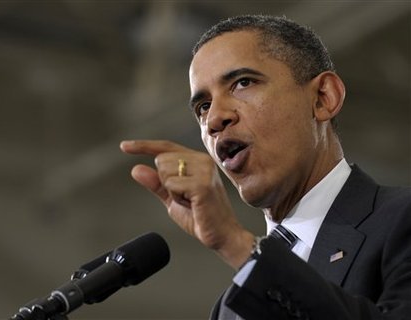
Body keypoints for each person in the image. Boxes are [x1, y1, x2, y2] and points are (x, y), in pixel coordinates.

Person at [120, 15, 411, 319]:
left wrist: (236, 244)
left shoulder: (401, 221)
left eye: (243, 83)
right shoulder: (229, 309)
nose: (215, 118)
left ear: (324, 98)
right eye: (203, 106)